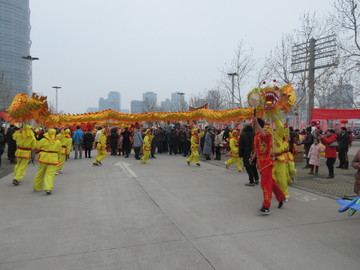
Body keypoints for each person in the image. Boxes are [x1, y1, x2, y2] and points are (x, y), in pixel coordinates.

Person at [251, 118, 286, 215]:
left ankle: (266, 206)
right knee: (271, 182)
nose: (253, 127)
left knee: (265, 184)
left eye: (253, 125)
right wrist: (252, 158)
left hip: (266, 162)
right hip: (260, 162)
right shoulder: (256, 136)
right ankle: (281, 197)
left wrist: (256, 122)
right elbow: (257, 150)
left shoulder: (266, 133)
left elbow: (263, 135)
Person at [33, 129, 62, 195]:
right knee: (50, 174)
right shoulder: (58, 142)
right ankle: (48, 188)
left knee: (40, 172)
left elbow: (37, 147)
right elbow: (59, 151)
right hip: (53, 158)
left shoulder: (43, 140)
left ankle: (37, 187)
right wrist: (59, 158)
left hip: (43, 158)